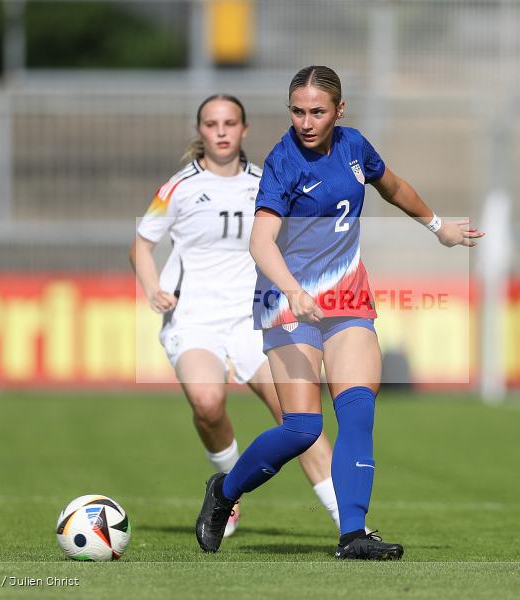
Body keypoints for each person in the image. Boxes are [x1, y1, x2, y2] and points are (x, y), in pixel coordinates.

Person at [196, 66, 484, 559]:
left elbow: (391, 184)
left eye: (317, 112)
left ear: (339, 111)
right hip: (287, 302)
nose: (306, 122)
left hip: (347, 297)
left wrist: (438, 226)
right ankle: (223, 493)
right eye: (297, 111)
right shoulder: (284, 162)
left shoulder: (354, 147)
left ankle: (353, 534)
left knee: (357, 413)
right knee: (303, 430)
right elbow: (260, 241)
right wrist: (292, 290)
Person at [130, 94, 350, 537]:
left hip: (256, 317)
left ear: (244, 129)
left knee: (299, 419)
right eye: (212, 124)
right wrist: (154, 288)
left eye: (230, 123)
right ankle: (226, 496)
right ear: (201, 131)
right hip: (194, 318)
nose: (222, 131)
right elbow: (141, 243)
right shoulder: (178, 188)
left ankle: (350, 525)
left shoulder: (264, 182)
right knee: (209, 403)